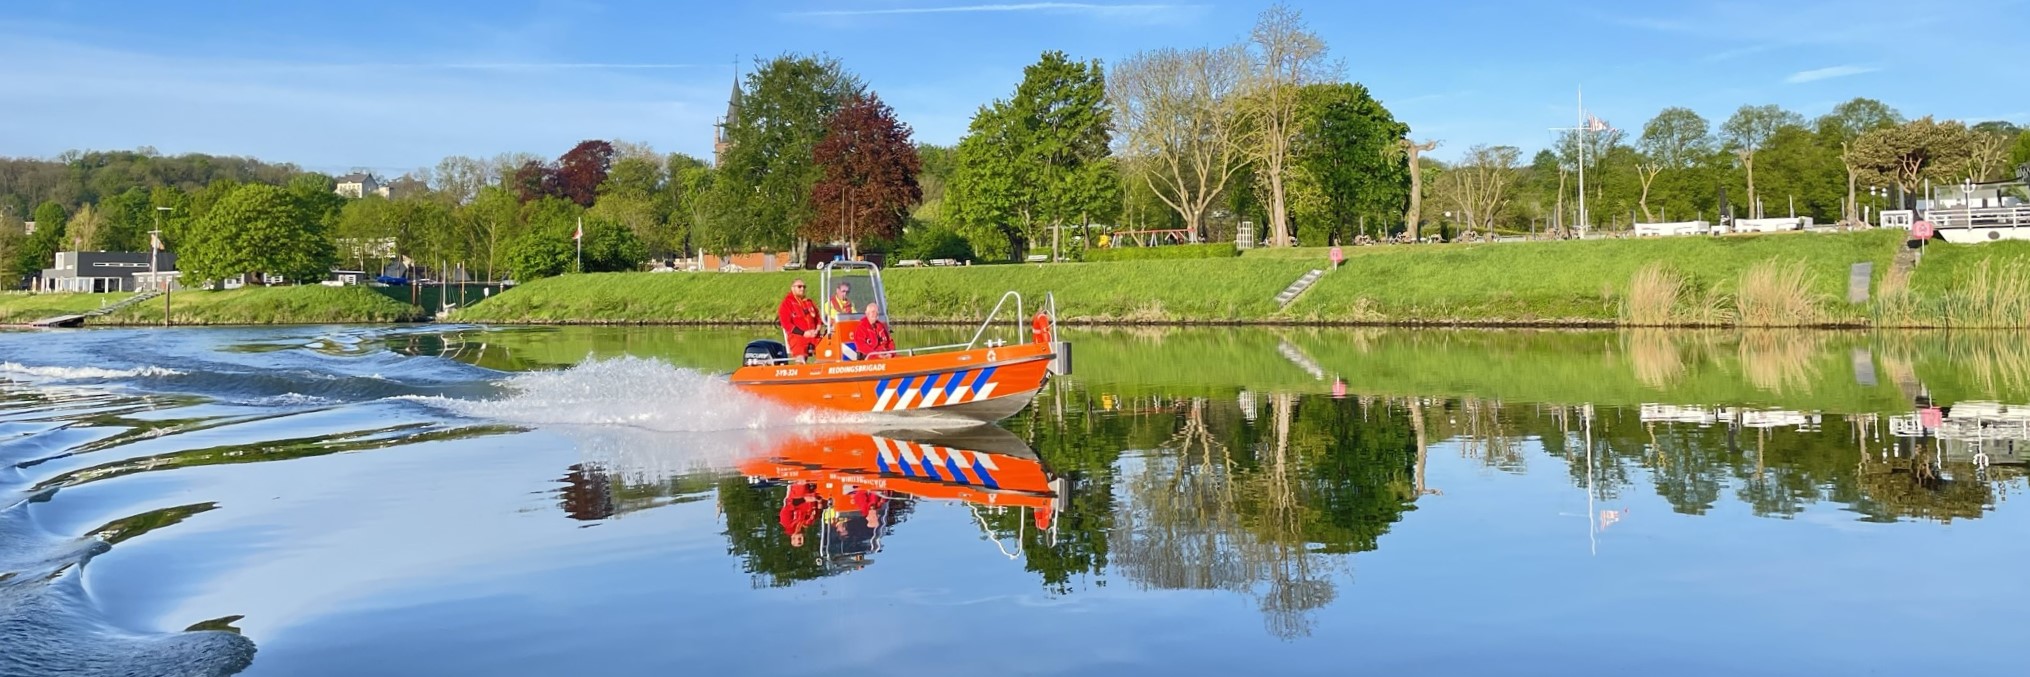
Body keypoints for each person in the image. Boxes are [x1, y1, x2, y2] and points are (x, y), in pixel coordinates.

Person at [776, 279, 820, 362]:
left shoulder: (809, 302)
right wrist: (803, 333)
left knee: (826, 349)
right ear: (792, 288)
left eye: (804, 287)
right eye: (799, 287)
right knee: (800, 355)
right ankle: (800, 366)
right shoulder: (786, 304)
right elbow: (787, 325)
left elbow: (818, 319)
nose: (802, 289)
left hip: (814, 335)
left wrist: (816, 330)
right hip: (797, 336)